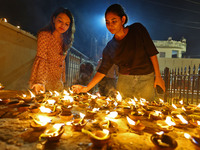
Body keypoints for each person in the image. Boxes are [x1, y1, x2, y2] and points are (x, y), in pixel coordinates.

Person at [72, 4, 165, 101]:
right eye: (107, 22)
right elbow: (102, 70)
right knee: (124, 110)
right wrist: (87, 88)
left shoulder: (138, 30)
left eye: (114, 21)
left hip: (145, 79)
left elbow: (152, 53)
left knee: (145, 110)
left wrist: (158, 77)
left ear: (123, 20)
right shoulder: (110, 46)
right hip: (124, 81)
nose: (110, 25)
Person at [29, 7, 75, 94]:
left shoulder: (66, 40)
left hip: (57, 79)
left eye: (67, 24)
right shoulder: (44, 35)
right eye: (60, 21)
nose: (63, 26)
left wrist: (62, 80)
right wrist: (40, 81)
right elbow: (41, 59)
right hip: (43, 76)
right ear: (54, 19)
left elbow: (62, 62)